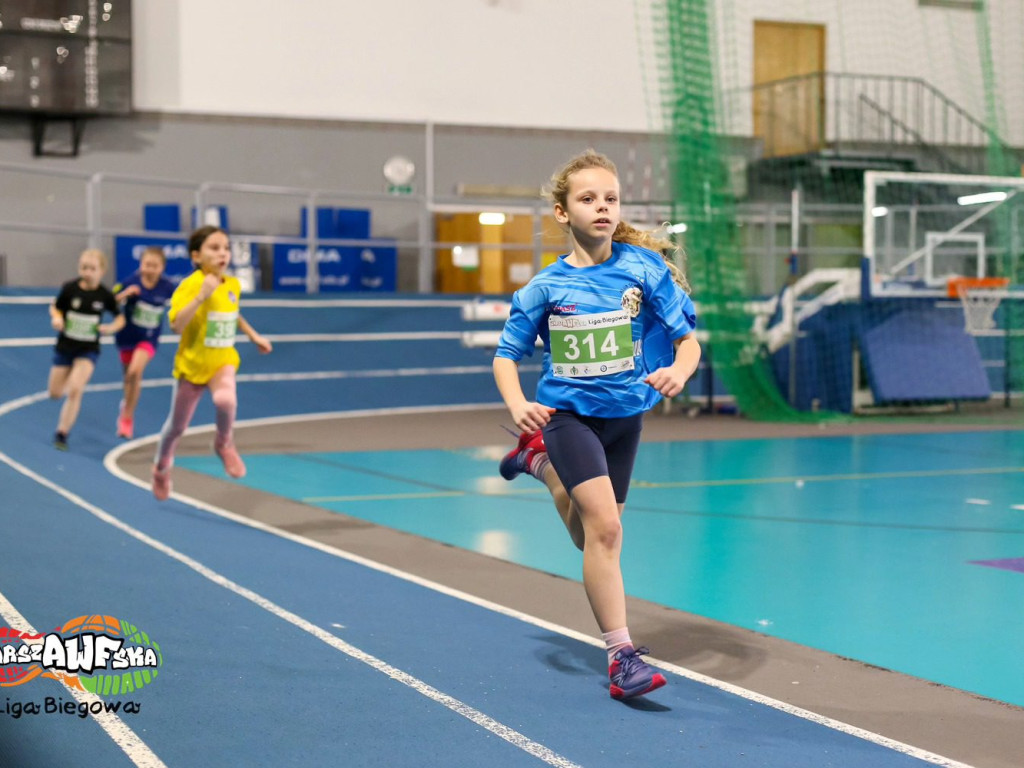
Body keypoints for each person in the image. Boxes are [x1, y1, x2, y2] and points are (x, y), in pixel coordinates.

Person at [493, 149, 700, 701]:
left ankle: (534, 460)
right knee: (606, 531)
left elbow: (687, 339)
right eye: (588, 199)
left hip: (624, 421)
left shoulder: (642, 270)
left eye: (610, 198)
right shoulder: (544, 289)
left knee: (591, 535)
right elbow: (505, 356)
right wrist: (518, 406)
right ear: (563, 213)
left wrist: (679, 370)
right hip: (568, 419)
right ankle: (621, 657)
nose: (602, 207)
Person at [151, 226, 272, 501]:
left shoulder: (232, 285)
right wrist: (201, 296)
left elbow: (232, 314)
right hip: (193, 366)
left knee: (225, 401)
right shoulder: (190, 286)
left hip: (222, 361)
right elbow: (176, 325)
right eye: (214, 248)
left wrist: (254, 336)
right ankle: (161, 467)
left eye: (226, 248)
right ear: (196, 255)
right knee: (177, 427)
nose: (222, 254)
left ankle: (223, 443)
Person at [48, 249, 126, 450]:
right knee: (55, 393)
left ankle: (62, 432)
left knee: (75, 390)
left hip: (88, 349)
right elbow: (55, 306)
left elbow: (120, 318)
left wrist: (110, 328)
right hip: (66, 346)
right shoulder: (70, 289)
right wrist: (57, 318)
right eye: (84, 267)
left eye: (92, 268)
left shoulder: (105, 295)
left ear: (102, 271)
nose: (87, 272)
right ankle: (65, 389)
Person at [112, 246, 177, 439]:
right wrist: (125, 295)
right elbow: (110, 301)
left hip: (149, 338)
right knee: (128, 378)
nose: (150, 269)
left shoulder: (167, 286)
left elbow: (181, 300)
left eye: (155, 266)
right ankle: (127, 404)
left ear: (162, 267)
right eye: (146, 265)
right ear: (141, 265)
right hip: (127, 337)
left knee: (135, 372)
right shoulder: (130, 282)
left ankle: (127, 418)